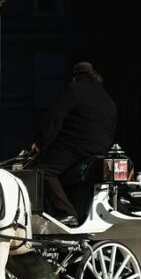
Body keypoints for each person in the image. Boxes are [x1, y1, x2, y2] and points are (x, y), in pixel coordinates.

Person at [32, 61, 117, 225]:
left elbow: (55, 118)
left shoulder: (73, 90)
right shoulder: (107, 98)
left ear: (75, 76)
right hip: (98, 150)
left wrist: (41, 143)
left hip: (75, 146)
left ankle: (67, 212)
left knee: (42, 170)